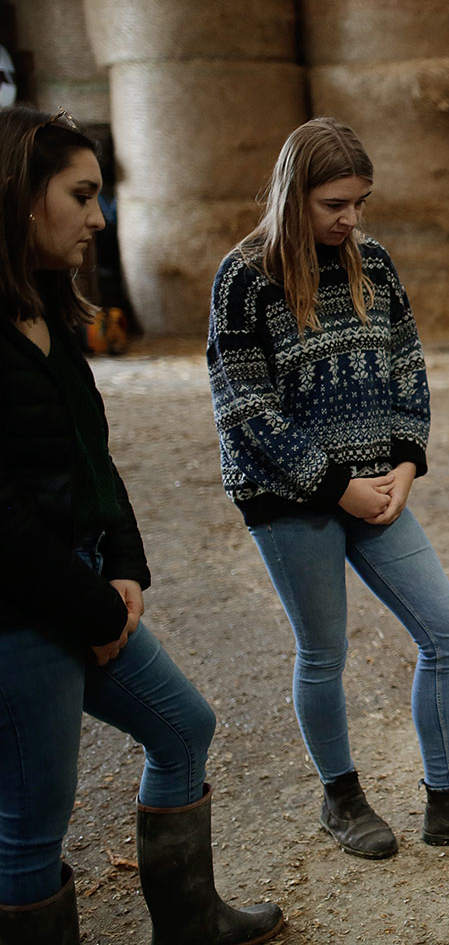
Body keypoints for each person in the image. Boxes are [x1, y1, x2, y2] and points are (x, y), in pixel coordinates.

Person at [206, 117, 449, 860]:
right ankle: (342, 797)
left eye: (360, 202)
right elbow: (247, 410)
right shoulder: (243, 281)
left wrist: (406, 462)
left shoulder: (374, 266)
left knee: (447, 631)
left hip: (376, 486)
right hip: (289, 495)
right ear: (296, 197)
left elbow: (407, 365)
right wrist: (335, 488)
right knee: (324, 651)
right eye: (335, 204)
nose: (351, 218)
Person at [0, 107, 283, 944]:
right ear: (19, 195)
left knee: (182, 726)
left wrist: (124, 564)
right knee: (31, 821)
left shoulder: (49, 313)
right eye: (82, 195)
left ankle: (189, 924)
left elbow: (91, 455)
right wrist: (89, 610)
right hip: (21, 612)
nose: (99, 217)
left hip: (81, 586)